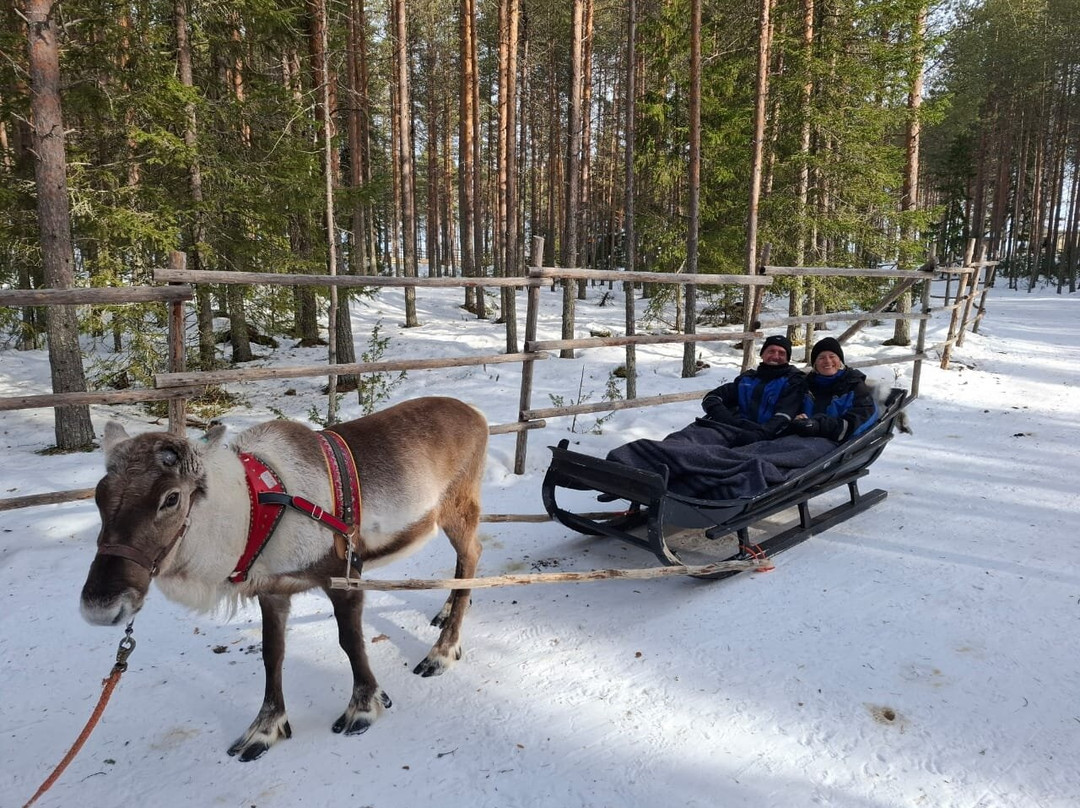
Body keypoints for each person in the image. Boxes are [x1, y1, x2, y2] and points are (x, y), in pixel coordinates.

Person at [787, 337, 878, 442]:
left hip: (834, 445)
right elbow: (790, 409)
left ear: (840, 361)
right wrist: (797, 421)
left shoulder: (853, 385)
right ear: (815, 364)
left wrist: (819, 426)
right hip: (799, 438)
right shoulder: (805, 385)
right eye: (821, 358)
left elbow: (862, 418)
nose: (827, 361)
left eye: (832, 356)